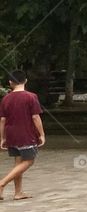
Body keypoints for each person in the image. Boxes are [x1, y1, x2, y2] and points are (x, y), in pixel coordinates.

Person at [0, 70, 45, 201]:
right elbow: (36, 117)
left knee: (18, 162)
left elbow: (2, 120)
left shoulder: (6, 98)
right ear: (26, 81)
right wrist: (41, 134)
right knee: (29, 161)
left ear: (10, 82)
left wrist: (2, 137)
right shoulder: (31, 97)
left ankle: (18, 192)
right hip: (26, 134)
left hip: (11, 134)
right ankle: (2, 183)